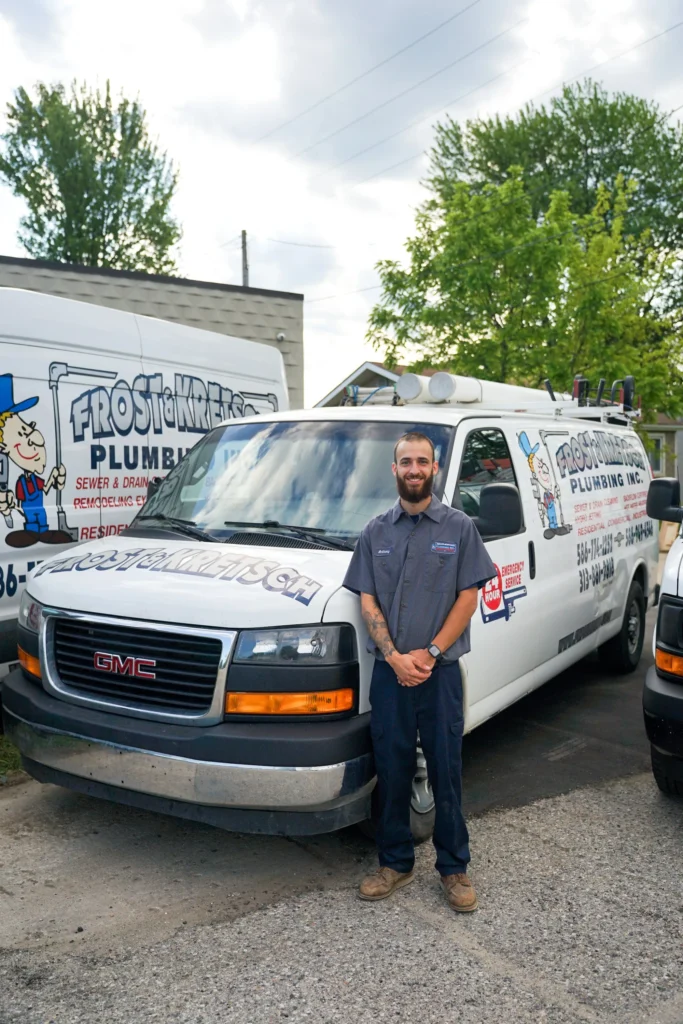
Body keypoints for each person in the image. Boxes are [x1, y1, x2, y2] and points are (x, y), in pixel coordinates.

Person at [343, 431, 496, 912]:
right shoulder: (375, 533)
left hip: (440, 673)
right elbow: (367, 598)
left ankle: (454, 868)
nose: (414, 469)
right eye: (405, 461)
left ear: (434, 469)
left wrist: (428, 654)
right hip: (391, 675)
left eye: (422, 462)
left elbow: (469, 597)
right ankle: (395, 863)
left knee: (446, 770)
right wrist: (393, 657)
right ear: (394, 470)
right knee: (392, 768)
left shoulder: (459, 528)